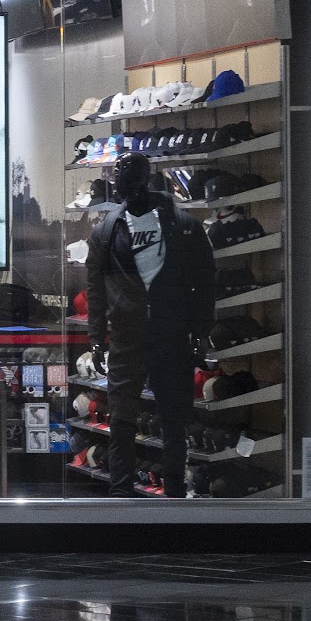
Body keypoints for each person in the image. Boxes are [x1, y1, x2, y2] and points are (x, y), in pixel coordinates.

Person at [85, 151, 214, 497]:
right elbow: (96, 288)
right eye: (117, 176)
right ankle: (121, 493)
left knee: (174, 419)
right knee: (121, 419)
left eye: (125, 175)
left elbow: (204, 280)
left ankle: (174, 493)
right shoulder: (106, 231)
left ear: (143, 178)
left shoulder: (182, 225)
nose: (119, 182)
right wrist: (96, 337)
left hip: (171, 333)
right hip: (126, 337)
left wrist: (201, 329)